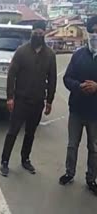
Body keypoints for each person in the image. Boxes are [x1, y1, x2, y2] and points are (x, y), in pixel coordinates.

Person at [0, 21, 57, 177]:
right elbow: (11, 75)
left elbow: (52, 79)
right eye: (35, 33)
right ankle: (4, 161)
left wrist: (49, 101)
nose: (38, 35)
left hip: (38, 101)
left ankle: (25, 159)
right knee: (13, 132)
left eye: (41, 33)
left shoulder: (50, 55)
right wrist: (10, 97)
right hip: (20, 100)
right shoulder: (21, 51)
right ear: (32, 33)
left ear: (45, 34)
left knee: (30, 133)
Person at [59, 16, 97, 195]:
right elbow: (67, 78)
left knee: (94, 148)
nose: (96, 34)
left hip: (95, 113)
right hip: (76, 110)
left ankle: (91, 179)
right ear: (88, 33)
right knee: (72, 145)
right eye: (93, 31)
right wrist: (78, 86)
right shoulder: (79, 55)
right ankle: (69, 172)